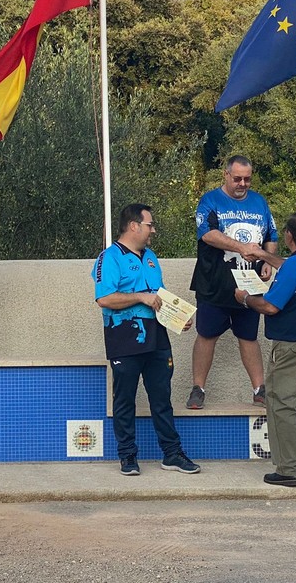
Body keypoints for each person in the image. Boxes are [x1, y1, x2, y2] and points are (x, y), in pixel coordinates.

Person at [93, 204, 201, 477]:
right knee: (125, 398)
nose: (153, 229)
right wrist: (140, 296)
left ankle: (172, 454)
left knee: (162, 397)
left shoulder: (151, 257)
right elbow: (104, 298)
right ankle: (128, 456)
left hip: (157, 338)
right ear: (133, 226)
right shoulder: (109, 258)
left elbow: (157, 297)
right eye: (149, 224)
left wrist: (178, 319)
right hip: (124, 338)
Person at [235, 212, 296, 487]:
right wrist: (264, 256)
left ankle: (288, 470)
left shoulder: (294, 266)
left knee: (281, 406)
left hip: (293, 350)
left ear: (289, 236)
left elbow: (270, 306)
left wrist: (244, 298)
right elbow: (290, 268)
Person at [187, 155, 279, 409]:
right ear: (226, 175)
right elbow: (207, 234)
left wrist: (268, 260)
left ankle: (260, 389)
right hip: (214, 283)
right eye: (237, 178)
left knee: (248, 336)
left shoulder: (260, 202)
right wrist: (242, 248)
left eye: (247, 179)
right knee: (206, 335)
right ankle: (198, 388)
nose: (242, 183)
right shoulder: (210, 200)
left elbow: (271, 234)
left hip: (249, 284)